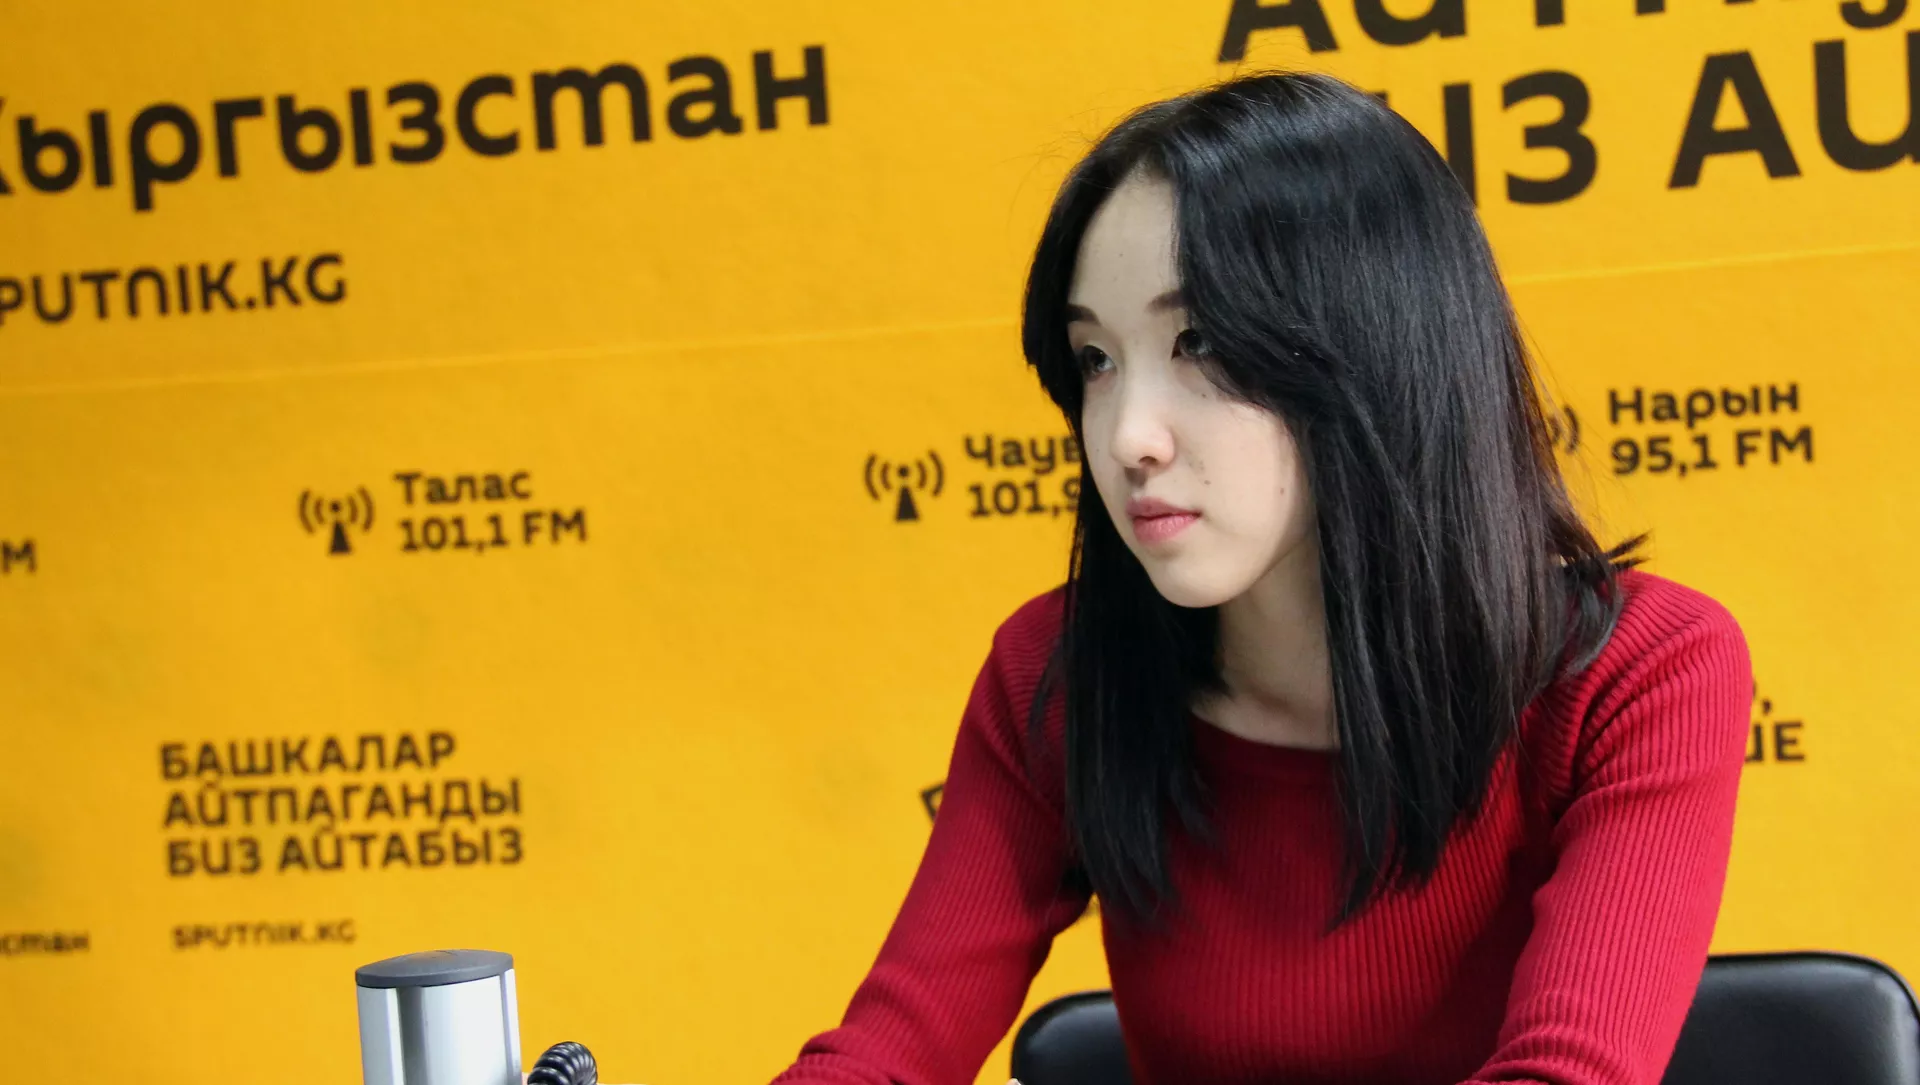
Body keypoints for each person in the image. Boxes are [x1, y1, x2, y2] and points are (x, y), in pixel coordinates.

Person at [770, 72, 1751, 1085]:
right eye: (1095, 359)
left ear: (1377, 346)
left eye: (1196, 341)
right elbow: (886, 1053)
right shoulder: (1060, 673)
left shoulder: (1641, 671)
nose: (1129, 436)